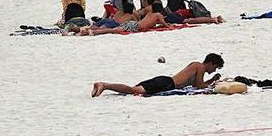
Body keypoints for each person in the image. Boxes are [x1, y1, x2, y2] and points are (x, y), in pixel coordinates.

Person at [91, 53, 224, 97]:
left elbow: (196, 85)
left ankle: (105, 85)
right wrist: (213, 80)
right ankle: (104, 85)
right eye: (216, 67)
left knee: (132, 90)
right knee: (133, 90)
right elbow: (200, 86)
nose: (215, 70)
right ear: (211, 63)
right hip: (167, 83)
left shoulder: (196, 66)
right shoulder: (200, 66)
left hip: (165, 81)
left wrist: (211, 80)